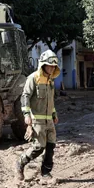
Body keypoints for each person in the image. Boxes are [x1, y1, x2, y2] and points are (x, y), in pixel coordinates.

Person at [17, 50, 60, 181]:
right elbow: (25, 97)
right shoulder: (33, 78)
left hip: (49, 121)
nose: (52, 68)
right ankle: (21, 162)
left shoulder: (50, 81)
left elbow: (50, 100)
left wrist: (54, 113)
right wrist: (26, 114)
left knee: (51, 146)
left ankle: (46, 172)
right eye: (49, 65)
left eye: (54, 66)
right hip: (37, 120)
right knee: (39, 147)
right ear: (43, 65)